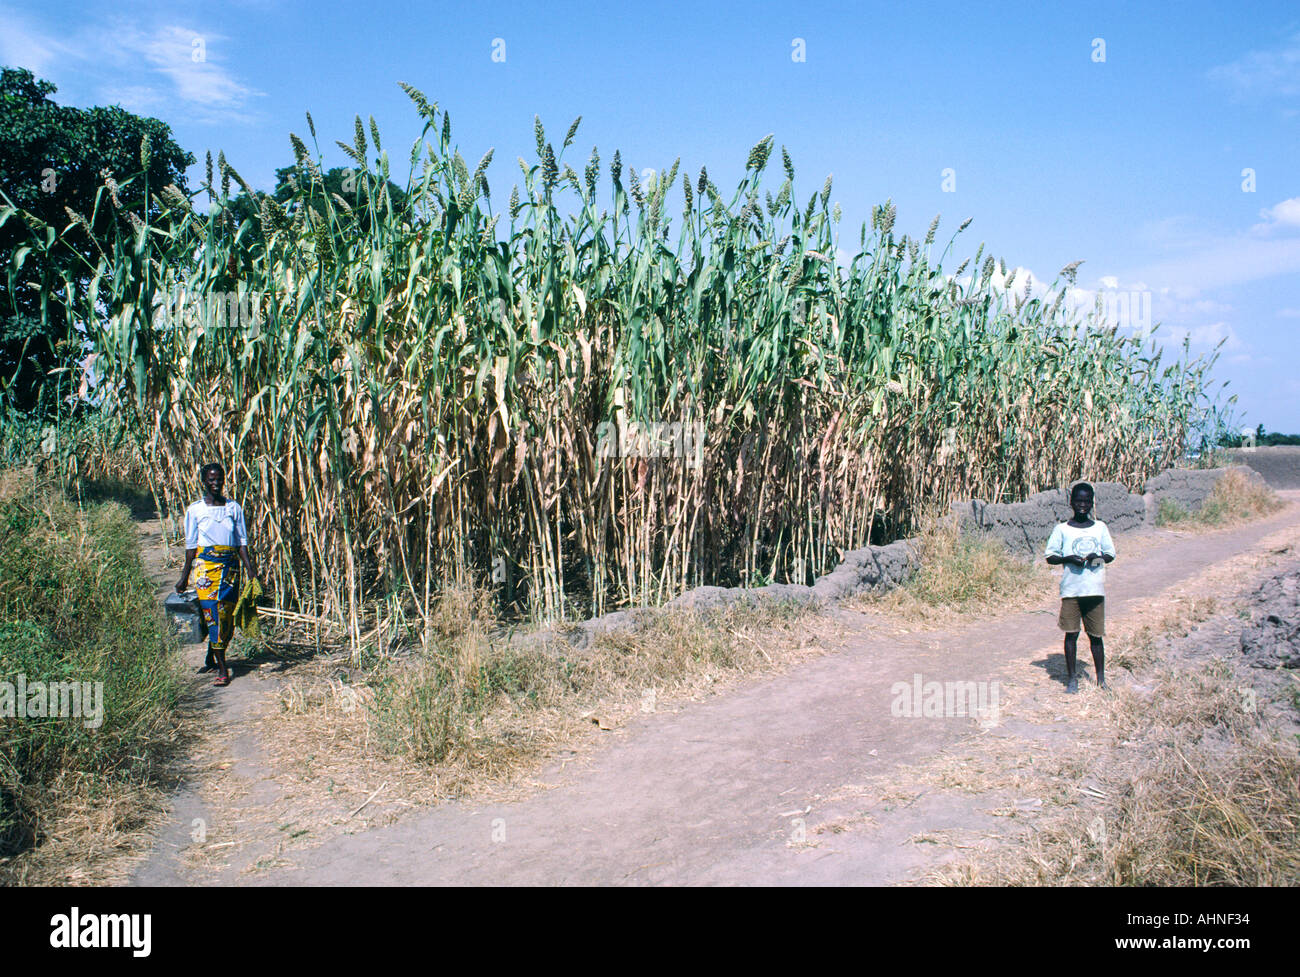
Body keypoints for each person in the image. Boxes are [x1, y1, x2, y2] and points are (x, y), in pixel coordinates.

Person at [175, 463, 260, 687]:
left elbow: (241, 542)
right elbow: (191, 545)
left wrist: (250, 569)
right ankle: (223, 669)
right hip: (206, 570)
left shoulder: (233, 508)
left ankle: (212, 655)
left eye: (219, 479)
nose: (215, 483)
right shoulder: (195, 510)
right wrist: (184, 576)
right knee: (213, 615)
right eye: (211, 479)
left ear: (224, 480)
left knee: (227, 618)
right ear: (203, 481)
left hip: (231, 568)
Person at [1044, 481, 1116, 694]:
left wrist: (1098, 557)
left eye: (1086, 501)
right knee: (1071, 635)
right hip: (1071, 591)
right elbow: (1051, 556)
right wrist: (1068, 558)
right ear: (1071, 502)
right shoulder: (1062, 529)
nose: (1082, 505)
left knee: (1096, 636)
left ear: (1092, 503)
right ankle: (1072, 679)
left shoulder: (1100, 527)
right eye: (1078, 500)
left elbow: (1110, 555)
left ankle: (1101, 680)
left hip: (1094, 590)